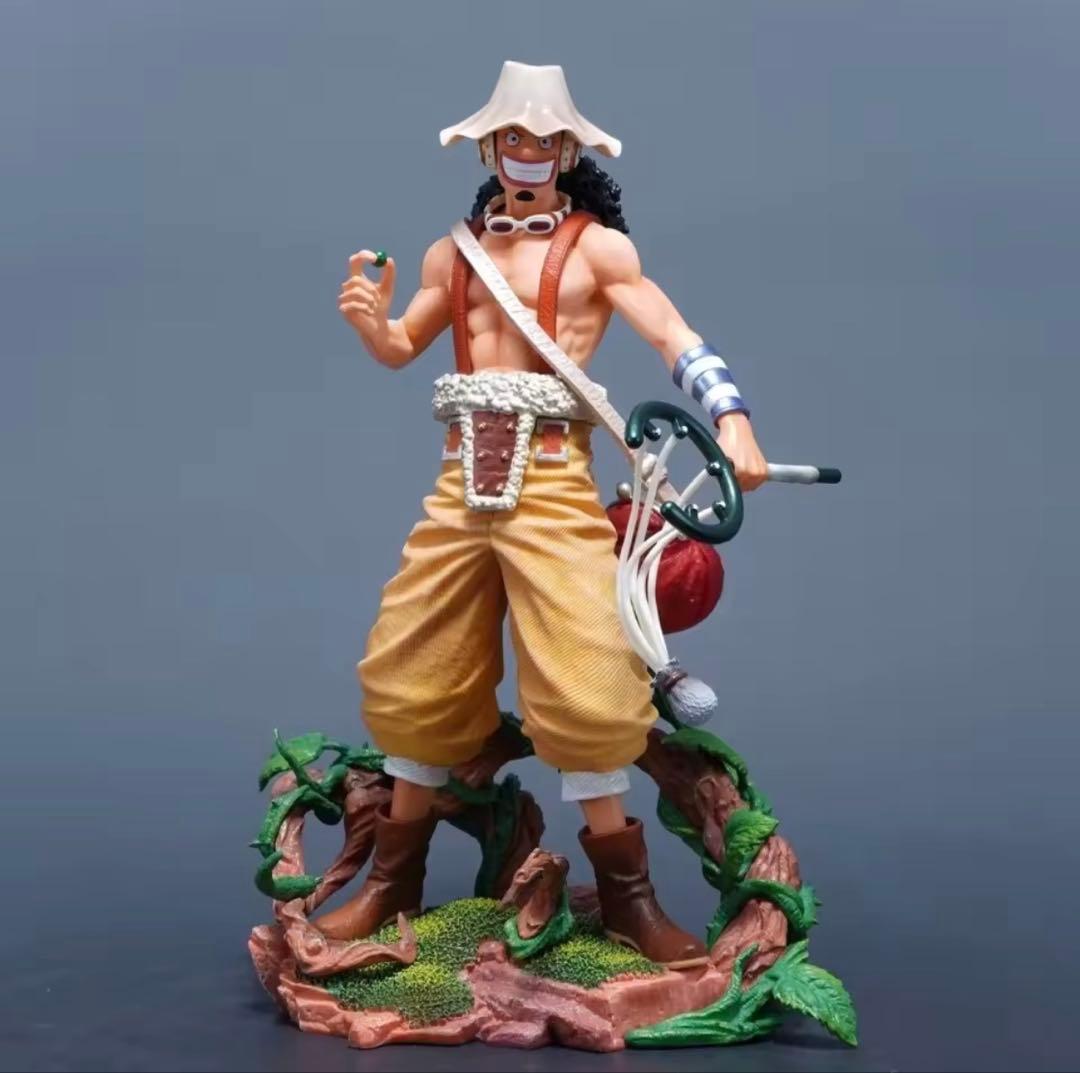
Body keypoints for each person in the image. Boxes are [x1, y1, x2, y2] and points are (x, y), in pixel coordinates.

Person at [317, 61, 768, 969]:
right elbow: (405, 345)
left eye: (544, 139)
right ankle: (393, 881)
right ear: (489, 147)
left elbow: (672, 333)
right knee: (412, 667)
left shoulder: (599, 250)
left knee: (589, 679)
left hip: (553, 476)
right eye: (513, 137)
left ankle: (630, 900)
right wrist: (372, 323)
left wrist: (733, 417)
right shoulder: (452, 253)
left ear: (567, 152)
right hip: (461, 478)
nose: (526, 151)